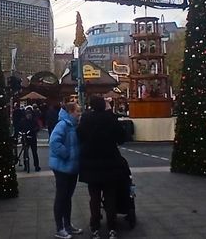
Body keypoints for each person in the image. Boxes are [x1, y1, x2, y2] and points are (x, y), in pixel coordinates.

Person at [77, 95, 127, 239]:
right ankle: (112, 227)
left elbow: (79, 135)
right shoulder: (110, 118)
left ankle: (95, 227)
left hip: (91, 163)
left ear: (91, 106)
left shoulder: (86, 118)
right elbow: (121, 137)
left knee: (94, 197)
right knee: (110, 196)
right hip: (110, 162)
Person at [49, 101, 83, 239]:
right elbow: (54, 142)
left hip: (72, 168)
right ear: (70, 112)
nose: (79, 114)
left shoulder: (74, 126)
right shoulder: (63, 125)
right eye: (77, 111)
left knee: (67, 197)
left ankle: (67, 225)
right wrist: (67, 154)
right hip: (62, 167)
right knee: (61, 197)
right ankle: (60, 228)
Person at [20, 106, 41, 172]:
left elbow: (37, 127)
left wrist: (34, 130)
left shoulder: (33, 121)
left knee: (34, 152)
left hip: (32, 137)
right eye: (27, 114)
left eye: (29, 114)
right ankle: (26, 166)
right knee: (26, 152)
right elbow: (20, 128)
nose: (29, 115)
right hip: (25, 137)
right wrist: (21, 133)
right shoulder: (23, 121)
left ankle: (36, 166)